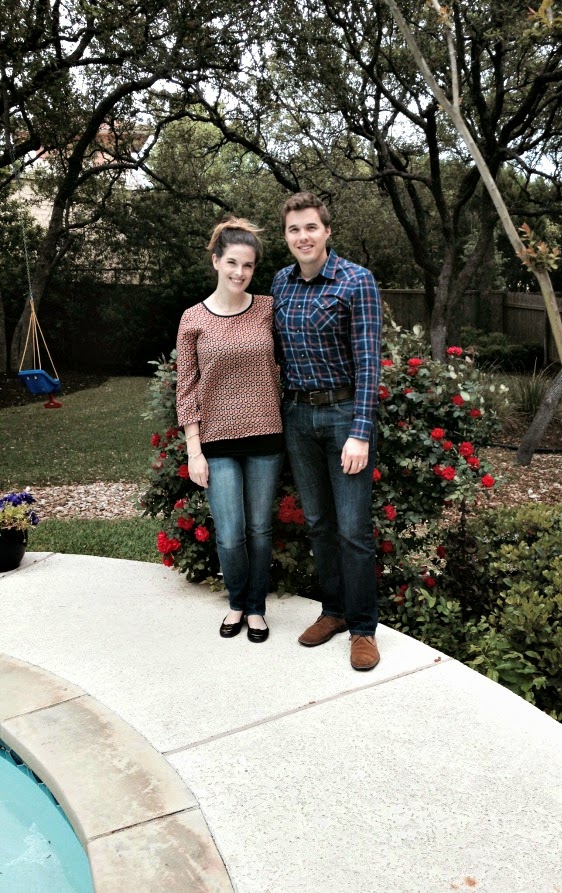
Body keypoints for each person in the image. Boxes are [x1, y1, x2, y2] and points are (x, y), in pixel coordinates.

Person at [272, 192, 383, 670]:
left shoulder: (356, 281)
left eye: (311, 227)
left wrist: (360, 431)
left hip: (344, 417)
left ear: (327, 231)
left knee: (353, 529)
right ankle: (333, 612)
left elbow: (369, 363)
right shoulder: (281, 282)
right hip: (298, 417)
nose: (303, 237)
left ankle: (363, 629)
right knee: (318, 522)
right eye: (294, 229)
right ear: (286, 236)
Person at [176, 216, 282, 643]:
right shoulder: (192, 319)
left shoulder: (268, 309)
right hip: (216, 441)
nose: (240, 272)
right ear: (216, 261)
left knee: (259, 529)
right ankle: (236, 601)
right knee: (231, 532)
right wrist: (194, 450)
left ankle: (255, 608)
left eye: (248, 265)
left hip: (266, 435)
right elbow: (186, 388)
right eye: (233, 263)